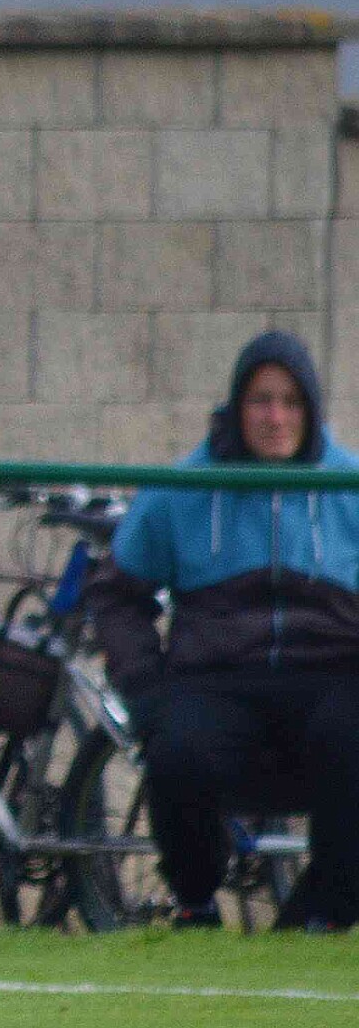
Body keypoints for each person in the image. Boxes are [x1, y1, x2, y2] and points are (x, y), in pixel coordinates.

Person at [86, 330, 359, 932]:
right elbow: (117, 593)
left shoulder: (349, 485)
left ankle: (320, 916)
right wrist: (146, 690)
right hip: (218, 679)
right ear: (237, 405)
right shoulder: (184, 487)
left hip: (331, 677)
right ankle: (195, 901)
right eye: (261, 400)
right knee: (177, 749)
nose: (275, 418)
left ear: (311, 409)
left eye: (291, 402)